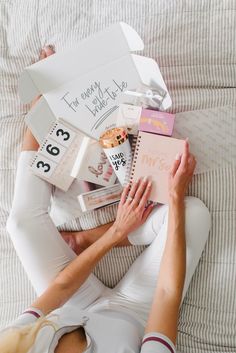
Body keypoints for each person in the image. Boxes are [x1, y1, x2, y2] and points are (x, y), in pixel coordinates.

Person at [0, 47, 211, 353]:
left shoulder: (15, 345)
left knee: (20, 226)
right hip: (137, 311)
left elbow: (59, 287)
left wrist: (44, 98)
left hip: (74, 300)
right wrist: (175, 196)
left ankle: (85, 239)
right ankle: (91, 238)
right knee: (193, 213)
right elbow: (167, 293)